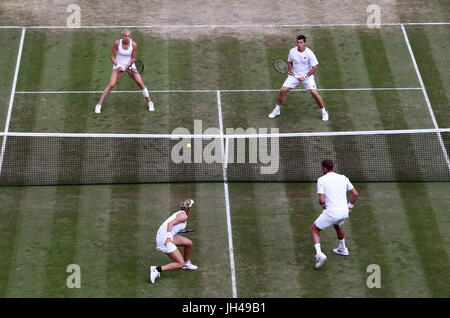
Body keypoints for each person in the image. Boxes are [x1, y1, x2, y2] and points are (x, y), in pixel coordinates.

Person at [311, 159, 358, 269]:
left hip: (332, 212)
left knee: (314, 229)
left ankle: (319, 255)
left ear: (324, 169)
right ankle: (343, 249)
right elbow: (355, 194)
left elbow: (322, 200)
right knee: (337, 224)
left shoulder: (321, 180)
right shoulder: (343, 178)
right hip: (344, 211)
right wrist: (350, 207)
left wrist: (324, 207)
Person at [269, 34, 328, 121]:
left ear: (304, 43)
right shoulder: (292, 51)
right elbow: (289, 62)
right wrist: (291, 70)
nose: (299, 44)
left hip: (307, 76)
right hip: (294, 76)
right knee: (282, 90)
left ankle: (324, 112)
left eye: (301, 42)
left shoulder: (309, 53)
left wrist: (304, 77)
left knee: (314, 93)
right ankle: (276, 110)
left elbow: (315, 67)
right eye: (297, 42)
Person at [94, 29, 154, 113]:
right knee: (111, 84)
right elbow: (111, 56)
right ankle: (98, 105)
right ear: (122, 36)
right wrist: (118, 66)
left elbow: (133, 58)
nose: (127, 38)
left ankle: (150, 103)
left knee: (140, 82)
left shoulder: (134, 44)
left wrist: (128, 65)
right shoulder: (117, 43)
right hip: (118, 64)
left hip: (130, 64)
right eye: (125, 36)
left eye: (128, 36)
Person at [150, 199, 198, 284]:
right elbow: (170, 224)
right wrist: (168, 237)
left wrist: (174, 233)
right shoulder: (184, 216)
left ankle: (186, 263)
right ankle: (156, 269)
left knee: (188, 243)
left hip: (166, 234)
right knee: (180, 263)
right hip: (164, 238)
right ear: (189, 208)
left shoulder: (180, 213)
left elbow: (173, 226)